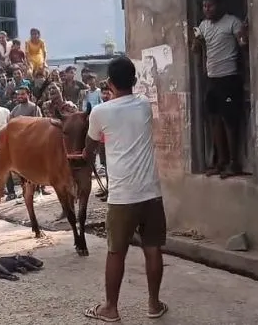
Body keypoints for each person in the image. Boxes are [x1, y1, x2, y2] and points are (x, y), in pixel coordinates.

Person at [82, 56, 167, 322]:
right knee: (153, 248)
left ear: (108, 83)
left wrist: (80, 156)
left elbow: (88, 151)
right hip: (151, 193)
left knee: (116, 252)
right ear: (134, 81)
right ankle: (153, 305)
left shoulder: (99, 112)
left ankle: (111, 308)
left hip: (122, 197)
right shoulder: (144, 105)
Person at [191, 0, 247, 177]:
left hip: (229, 78)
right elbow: (197, 50)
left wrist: (243, 37)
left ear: (220, 5)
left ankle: (234, 163)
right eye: (204, 6)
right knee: (214, 120)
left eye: (210, 5)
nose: (207, 9)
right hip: (212, 80)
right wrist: (196, 42)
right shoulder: (204, 26)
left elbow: (243, 44)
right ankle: (220, 161)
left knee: (230, 121)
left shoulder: (232, 22)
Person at [8, 85, 42, 200]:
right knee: (23, 170)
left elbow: (39, 124)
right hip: (20, 146)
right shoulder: (15, 110)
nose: (20, 96)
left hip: (33, 144)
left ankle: (39, 190)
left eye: (23, 94)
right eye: (18, 94)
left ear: (28, 94)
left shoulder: (34, 107)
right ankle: (26, 192)